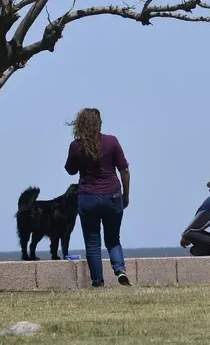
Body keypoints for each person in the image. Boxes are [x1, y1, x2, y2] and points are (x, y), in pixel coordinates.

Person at [64, 107, 131, 287]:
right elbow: (124, 169)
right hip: (112, 195)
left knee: (92, 241)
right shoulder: (111, 142)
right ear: (99, 123)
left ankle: (98, 281)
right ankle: (120, 270)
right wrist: (126, 195)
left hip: (88, 197)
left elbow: (70, 170)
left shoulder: (76, 146)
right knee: (113, 238)